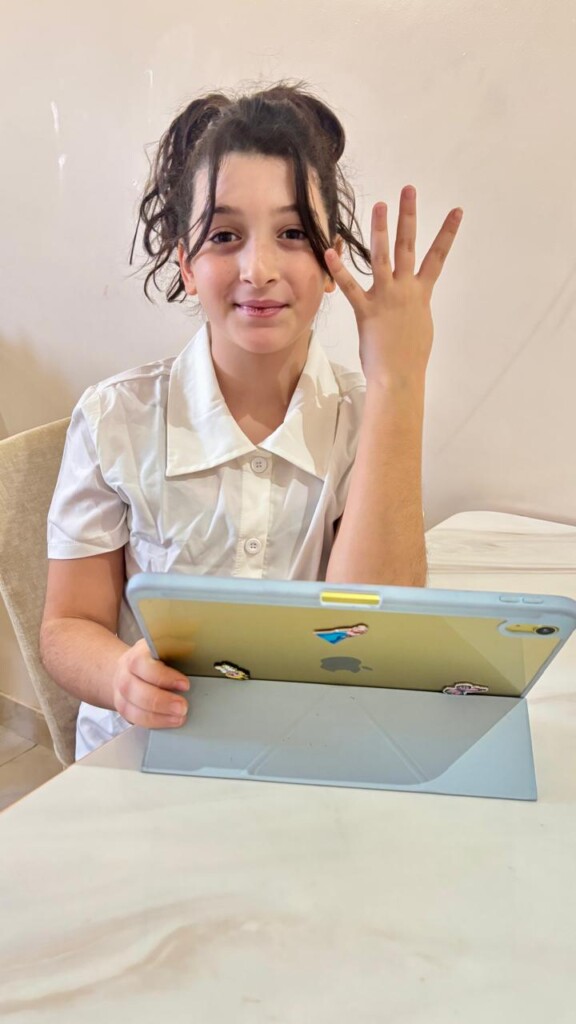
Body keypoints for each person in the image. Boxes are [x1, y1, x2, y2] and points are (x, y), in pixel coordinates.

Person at [39, 80, 463, 758]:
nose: (258, 268)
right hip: (144, 761)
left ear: (331, 266)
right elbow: (68, 625)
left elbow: (372, 630)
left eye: (292, 234)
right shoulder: (115, 417)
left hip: (304, 750)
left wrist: (397, 380)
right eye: (225, 235)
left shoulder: (364, 415)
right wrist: (119, 674)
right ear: (184, 260)